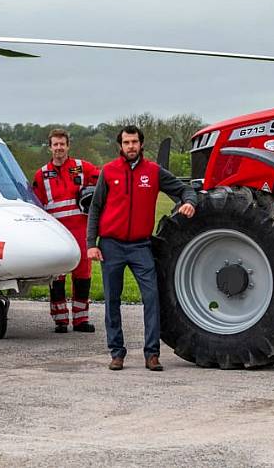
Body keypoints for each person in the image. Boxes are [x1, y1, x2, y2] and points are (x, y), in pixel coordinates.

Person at [87, 125, 196, 371]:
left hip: (140, 246)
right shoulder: (109, 171)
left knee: (152, 298)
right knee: (112, 300)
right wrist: (90, 244)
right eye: (126, 143)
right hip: (111, 245)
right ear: (120, 146)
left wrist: (189, 202)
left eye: (134, 142)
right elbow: (95, 208)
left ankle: (152, 354)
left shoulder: (154, 172)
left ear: (141, 144)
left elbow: (185, 190)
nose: (131, 147)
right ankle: (116, 353)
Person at [33, 128, 100, 333]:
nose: (59, 148)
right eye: (55, 144)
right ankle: (60, 320)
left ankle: (81, 320)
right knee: (58, 277)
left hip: (81, 230)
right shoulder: (41, 174)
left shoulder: (82, 167)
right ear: (50, 147)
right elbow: (36, 203)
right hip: (57, 232)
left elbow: (103, 182)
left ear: (68, 146)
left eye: (62, 144)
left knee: (82, 275)